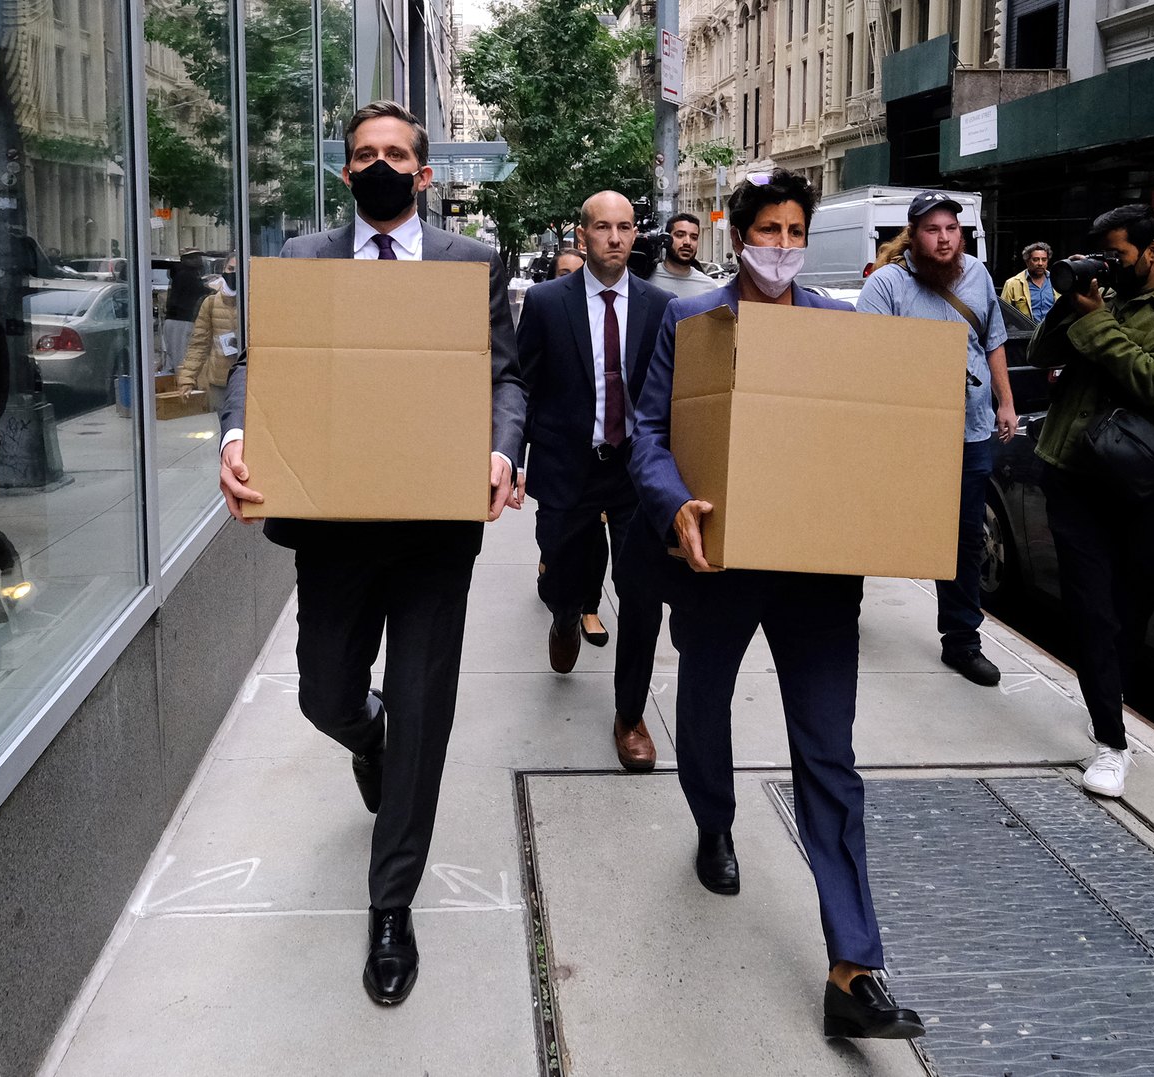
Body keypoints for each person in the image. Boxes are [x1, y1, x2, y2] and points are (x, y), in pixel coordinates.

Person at [215, 100, 526, 1008]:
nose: (381, 164)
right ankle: (366, 731)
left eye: (398, 153)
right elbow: (253, 365)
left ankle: (390, 905)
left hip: (436, 533)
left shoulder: (470, 265)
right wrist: (236, 437)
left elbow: (504, 374)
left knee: (426, 717)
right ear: (344, 172)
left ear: (425, 175)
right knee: (324, 694)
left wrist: (504, 450)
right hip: (337, 533)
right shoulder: (303, 262)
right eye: (365, 154)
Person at [629, 168, 926, 1041]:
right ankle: (713, 823)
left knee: (830, 754)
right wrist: (672, 500)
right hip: (718, 560)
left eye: (797, 232)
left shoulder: (841, 325)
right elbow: (649, 432)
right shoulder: (688, 322)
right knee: (706, 705)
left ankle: (853, 965)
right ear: (739, 235)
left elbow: (869, 434)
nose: (784, 246)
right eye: (770, 231)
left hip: (817, 575)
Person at [1025, 204, 1154, 800]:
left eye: (1119, 254)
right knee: (1090, 607)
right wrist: (1070, 302)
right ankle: (1112, 741)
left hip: (1135, 482)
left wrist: (1099, 320)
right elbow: (1040, 355)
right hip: (1070, 469)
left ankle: (1111, 689)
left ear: (1153, 250)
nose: (1110, 263)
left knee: (1134, 602)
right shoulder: (1100, 295)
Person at [516, 192, 670, 770]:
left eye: (624, 227)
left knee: (643, 599)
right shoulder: (546, 302)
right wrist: (512, 457)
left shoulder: (660, 307)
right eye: (602, 227)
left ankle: (630, 714)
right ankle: (563, 614)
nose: (613, 237)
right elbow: (523, 386)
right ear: (582, 235)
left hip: (636, 474)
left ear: (635, 235)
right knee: (563, 577)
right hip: (566, 471)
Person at [857, 191, 1016, 688]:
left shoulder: (977, 275)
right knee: (874, 525)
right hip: (905, 435)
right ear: (913, 234)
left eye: (952, 228)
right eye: (932, 229)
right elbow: (869, 357)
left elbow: (992, 340)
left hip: (969, 432)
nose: (944, 238)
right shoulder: (886, 284)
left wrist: (1005, 402)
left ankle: (962, 641)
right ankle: (839, 615)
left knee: (965, 538)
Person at [176, 255, 240, 412]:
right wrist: (187, 379)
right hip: (220, 381)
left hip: (248, 380)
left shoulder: (256, 301)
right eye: (230, 269)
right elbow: (199, 343)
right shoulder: (211, 303)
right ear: (223, 270)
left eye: (239, 270)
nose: (233, 273)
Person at [160, 249, 212, 373]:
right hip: (181, 321)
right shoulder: (185, 274)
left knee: (174, 359)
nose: (199, 260)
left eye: (199, 257)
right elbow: (200, 291)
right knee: (181, 360)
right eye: (195, 257)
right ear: (186, 260)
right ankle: (182, 388)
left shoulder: (185, 274)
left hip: (178, 320)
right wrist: (212, 287)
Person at [648, 212, 718, 299]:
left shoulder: (709, 287)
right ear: (666, 239)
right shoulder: (646, 278)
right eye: (680, 235)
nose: (687, 242)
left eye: (694, 237)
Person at [1000, 241, 1056, 321]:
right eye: (1036, 260)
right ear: (1027, 261)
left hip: (1052, 331)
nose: (1040, 263)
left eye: (1044, 260)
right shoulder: (1013, 283)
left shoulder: (1056, 281)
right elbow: (1003, 314)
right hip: (1026, 332)